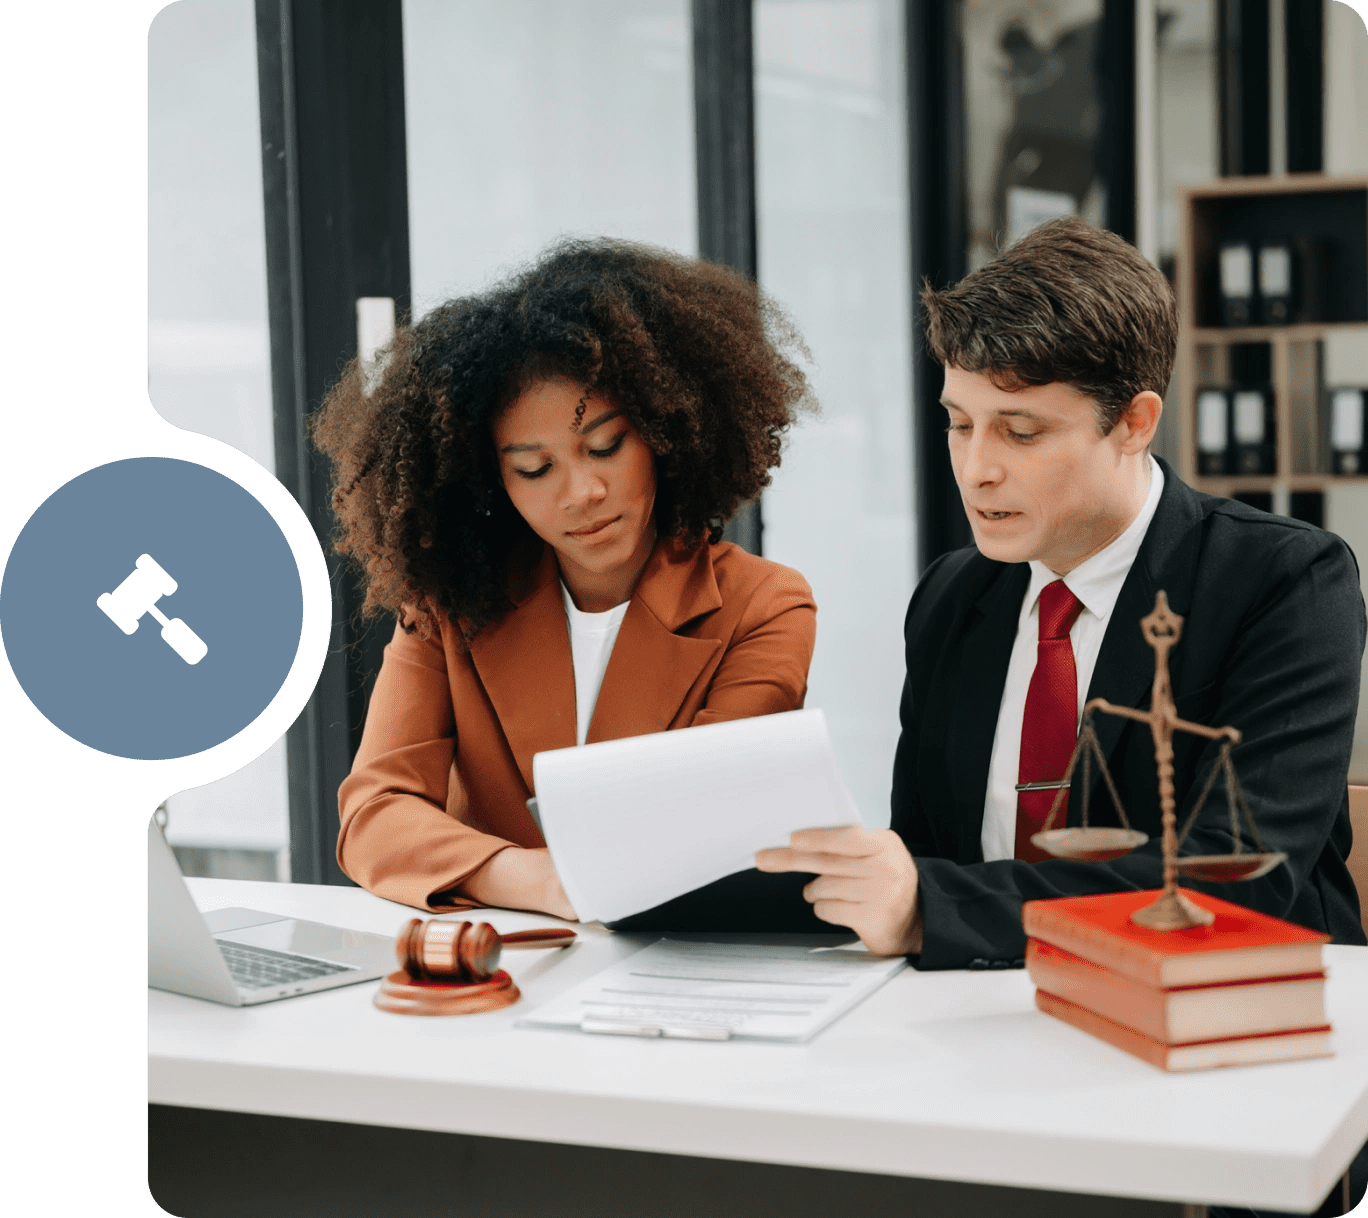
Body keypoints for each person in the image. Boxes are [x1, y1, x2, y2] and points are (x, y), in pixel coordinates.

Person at [758, 217, 1366, 970]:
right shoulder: (953, 596)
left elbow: (1238, 881)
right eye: (958, 424)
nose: (976, 469)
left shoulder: (1284, 581)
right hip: (986, 1011)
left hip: (1234, 1011)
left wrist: (934, 909)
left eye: (1020, 433)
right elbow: (926, 854)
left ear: (1134, 423)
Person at [312, 238, 817, 920]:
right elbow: (374, 816)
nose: (582, 491)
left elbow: (700, 834)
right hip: (494, 972)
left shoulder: (764, 606)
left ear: (665, 431)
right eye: (534, 468)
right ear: (490, 478)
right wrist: (533, 879)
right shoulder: (449, 605)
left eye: (605, 446)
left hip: (668, 974)